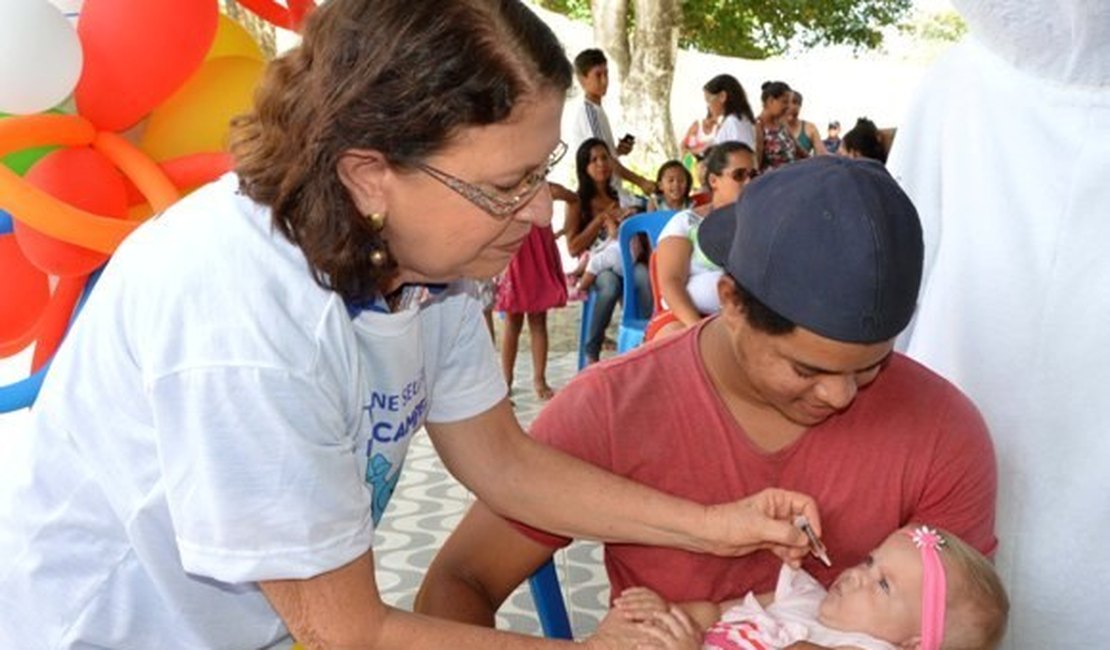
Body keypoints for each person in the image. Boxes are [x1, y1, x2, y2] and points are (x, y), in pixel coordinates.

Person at [0, 2, 827, 648]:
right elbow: (349, 629)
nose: (539, 211)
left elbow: (503, 463)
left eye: (540, 172)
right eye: (506, 185)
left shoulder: (425, 265)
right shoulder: (242, 317)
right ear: (368, 175)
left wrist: (716, 524)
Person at [414, 158, 999, 635]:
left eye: (872, 366)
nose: (842, 395)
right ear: (732, 303)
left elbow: (954, 627)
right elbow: (457, 583)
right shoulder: (612, 410)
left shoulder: (944, 434)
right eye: (806, 368)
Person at [887, 1, 1110, 646]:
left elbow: (898, 266)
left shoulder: (961, 81)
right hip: (960, 425)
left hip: (957, 396)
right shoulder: (959, 80)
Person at [605, 525, 1009, 650]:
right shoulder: (803, 594)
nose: (856, 575)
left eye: (883, 585)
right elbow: (714, 612)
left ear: (914, 642)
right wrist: (668, 614)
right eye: (870, 562)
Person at [645, 142, 755, 342]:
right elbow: (671, 283)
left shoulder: (761, 223)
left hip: (744, 322)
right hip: (684, 319)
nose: (749, 182)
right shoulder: (687, 222)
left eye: (753, 175)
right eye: (739, 175)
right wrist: (698, 329)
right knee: (682, 348)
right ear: (714, 180)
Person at [565, 138, 650, 364]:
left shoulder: (620, 196)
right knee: (610, 284)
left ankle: (648, 339)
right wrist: (601, 219)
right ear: (584, 167)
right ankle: (592, 351)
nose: (601, 163)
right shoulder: (577, 201)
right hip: (597, 264)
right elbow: (573, 247)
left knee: (644, 276)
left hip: (626, 259)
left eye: (605, 157)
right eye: (594, 160)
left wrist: (630, 216)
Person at [495, 209, 569, 400]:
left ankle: (539, 379)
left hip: (536, 243)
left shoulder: (540, 186)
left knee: (538, 318)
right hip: (516, 242)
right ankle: (506, 379)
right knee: (512, 319)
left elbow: (570, 199)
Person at [567, 48, 656, 196]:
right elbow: (602, 160)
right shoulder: (590, 114)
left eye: (606, 74)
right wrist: (641, 182)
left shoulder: (597, 111)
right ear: (583, 80)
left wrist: (617, 151)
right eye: (598, 75)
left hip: (611, 192)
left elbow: (602, 156)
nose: (604, 81)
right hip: (600, 196)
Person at [754, 80, 800, 171]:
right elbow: (756, 165)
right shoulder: (758, 127)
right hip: (773, 182)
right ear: (770, 101)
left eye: (789, 102)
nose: (788, 106)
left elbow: (799, 150)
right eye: (785, 102)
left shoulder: (782, 124)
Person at [704, 74, 756, 149]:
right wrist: (686, 158)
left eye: (708, 100)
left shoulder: (733, 122)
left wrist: (686, 157)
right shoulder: (735, 121)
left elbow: (739, 156)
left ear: (722, 96)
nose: (708, 106)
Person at [785, 91, 827, 158]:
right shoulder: (773, 128)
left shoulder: (810, 128)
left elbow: (822, 155)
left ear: (800, 106)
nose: (791, 107)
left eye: (795, 102)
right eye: (787, 103)